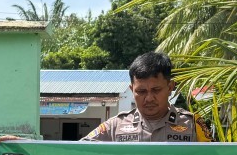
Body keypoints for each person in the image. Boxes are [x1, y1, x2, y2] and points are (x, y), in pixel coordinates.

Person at [81, 51, 211, 144]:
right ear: (132, 90)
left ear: (170, 87)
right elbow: (76, 152)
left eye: (156, 90)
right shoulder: (114, 126)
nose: (149, 98)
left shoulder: (192, 125)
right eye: (141, 91)